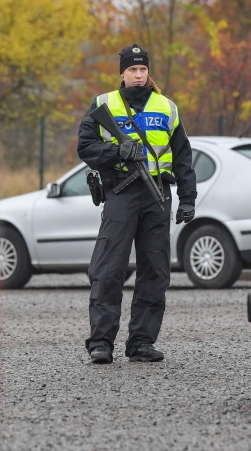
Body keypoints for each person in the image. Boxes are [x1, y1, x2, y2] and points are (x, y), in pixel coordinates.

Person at [77, 44, 196, 364]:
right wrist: (117, 152)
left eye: (143, 69)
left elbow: (183, 157)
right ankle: (101, 342)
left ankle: (141, 341)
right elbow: (85, 146)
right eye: (132, 70)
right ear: (122, 73)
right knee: (108, 269)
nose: (138, 75)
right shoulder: (104, 104)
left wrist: (188, 199)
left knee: (155, 271)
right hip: (121, 193)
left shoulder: (167, 107)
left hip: (157, 195)